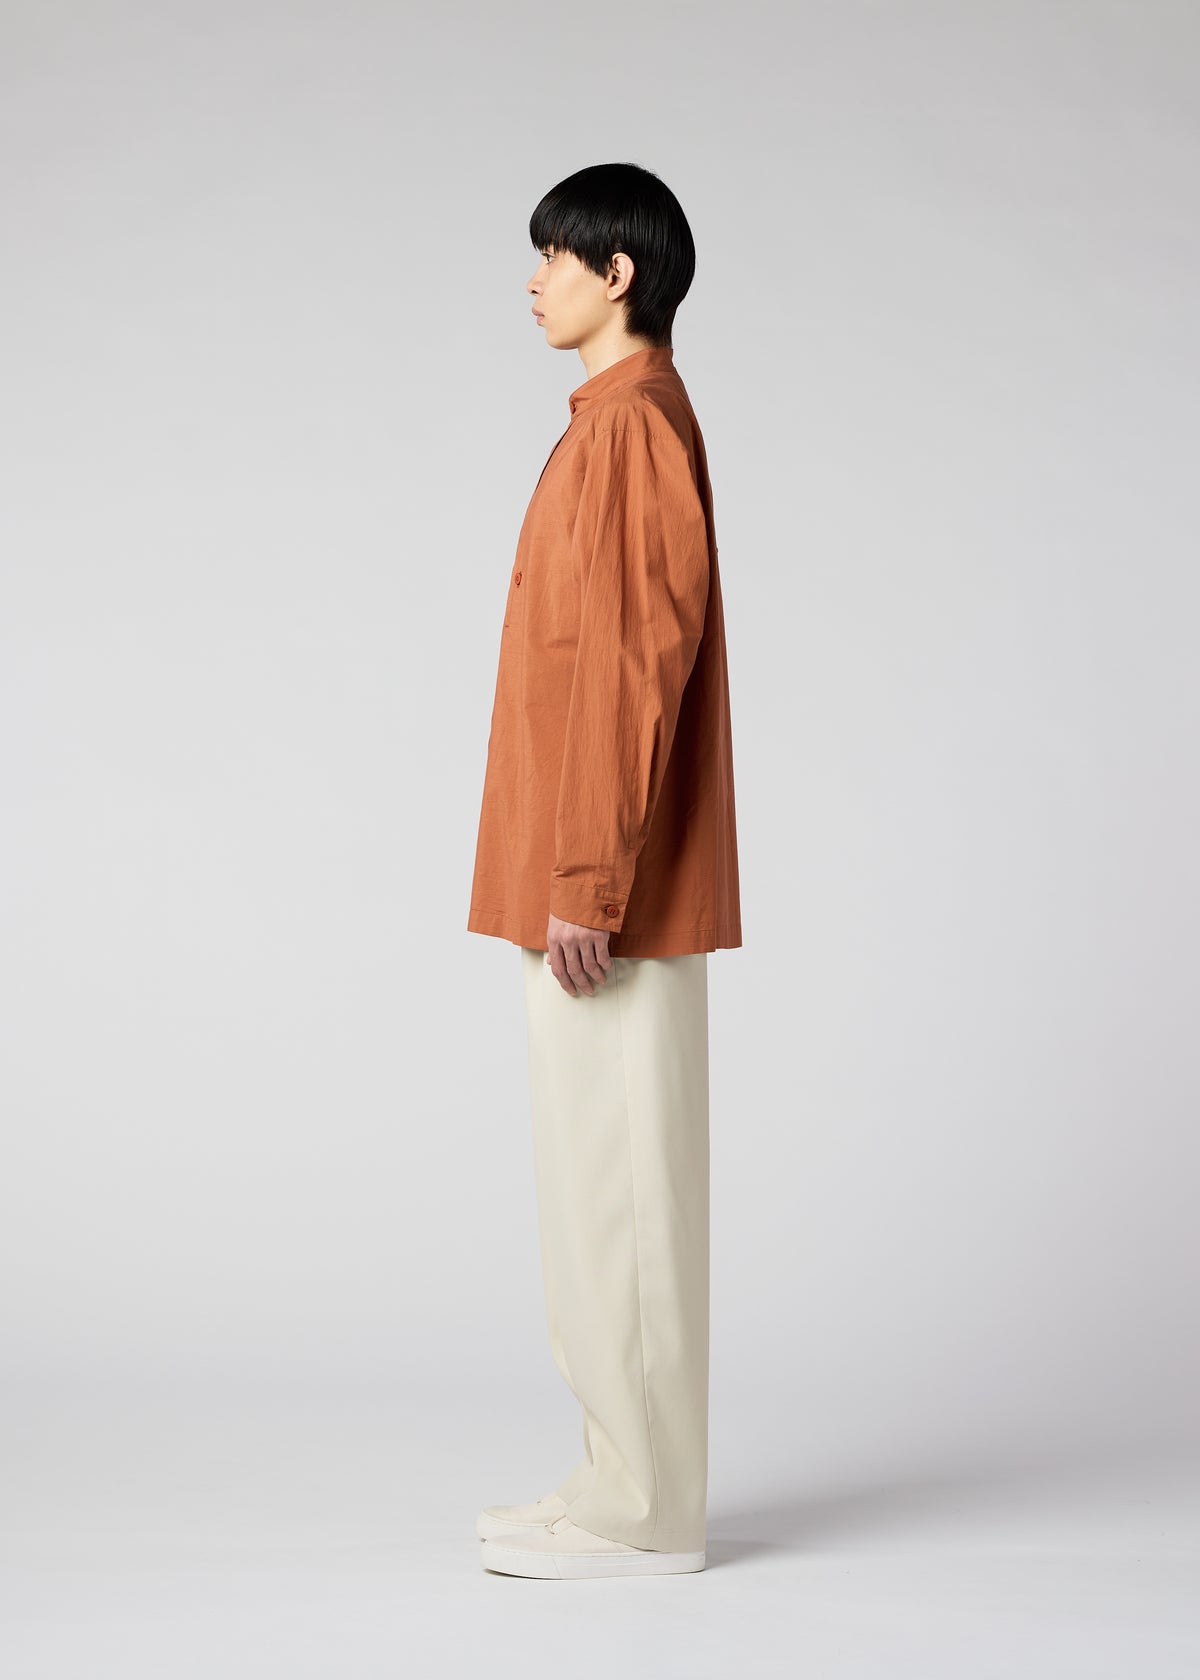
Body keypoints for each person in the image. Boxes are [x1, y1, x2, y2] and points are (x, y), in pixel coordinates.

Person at [466, 161, 742, 1580]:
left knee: (620, 1192)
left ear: (616, 272)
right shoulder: (611, 421)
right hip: (587, 881)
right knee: (596, 1188)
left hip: (606, 893)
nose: (534, 280)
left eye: (554, 257)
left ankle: (642, 1519)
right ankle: (616, 1483)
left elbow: (637, 661)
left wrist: (588, 877)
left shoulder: (631, 425)